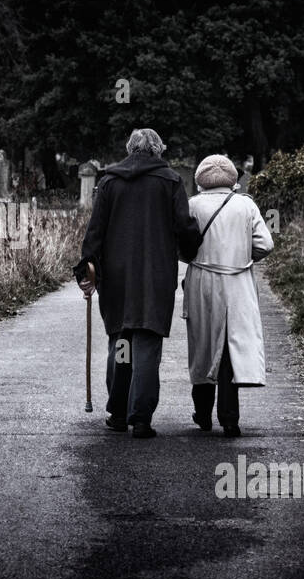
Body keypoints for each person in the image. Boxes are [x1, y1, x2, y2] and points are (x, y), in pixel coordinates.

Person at [75, 128, 199, 439]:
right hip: (155, 276)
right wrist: (194, 249)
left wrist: (85, 272)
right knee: (146, 343)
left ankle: (118, 414)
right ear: (158, 150)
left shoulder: (109, 182)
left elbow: (95, 232)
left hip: (116, 277)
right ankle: (141, 418)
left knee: (121, 341)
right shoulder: (169, 181)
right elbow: (184, 226)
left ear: (130, 149)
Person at [181, 154, 274, 437]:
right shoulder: (245, 205)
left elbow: (181, 245)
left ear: (200, 179)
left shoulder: (192, 205)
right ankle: (230, 419)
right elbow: (266, 244)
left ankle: (203, 414)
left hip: (202, 282)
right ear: (233, 179)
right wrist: (242, 257)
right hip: (237, 283)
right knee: (230, 349)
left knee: (203, 346)